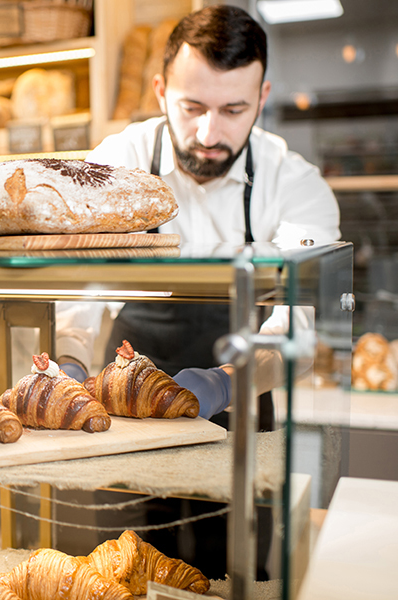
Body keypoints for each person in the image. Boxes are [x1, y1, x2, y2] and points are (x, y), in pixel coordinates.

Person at [56, 4, 341, 580]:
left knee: (230, 569)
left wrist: (222, 384)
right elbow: (79, 290)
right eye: (192, 107)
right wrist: (68, 370)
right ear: (160, 90)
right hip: (121, 403)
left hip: (239, 405)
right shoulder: (116, 163)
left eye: (234, 109)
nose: (210, 134)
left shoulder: (296, 183)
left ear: (262, 98)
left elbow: (298, 324)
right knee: (120, 566)